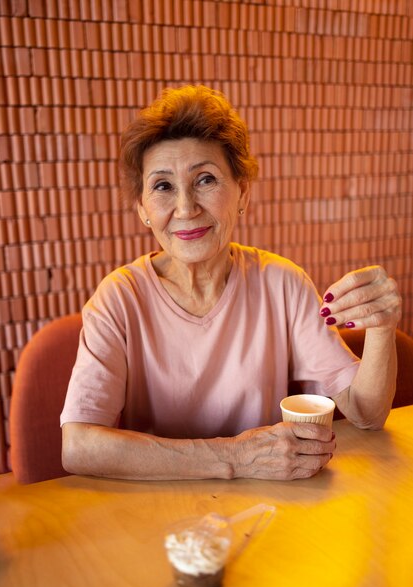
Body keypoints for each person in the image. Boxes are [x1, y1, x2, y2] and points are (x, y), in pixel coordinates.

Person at [61, 85, 402, 481]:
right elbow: (79, 446)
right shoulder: (119, 299)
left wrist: (381, 328)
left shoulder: (282, 283)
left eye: (205, 179)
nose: (186, 208)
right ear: (143, 210)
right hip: (154, 511)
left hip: (271, 505)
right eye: (163, 186)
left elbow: (367, 414)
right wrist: (234, 457)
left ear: (242, 193)